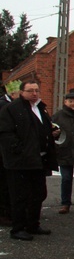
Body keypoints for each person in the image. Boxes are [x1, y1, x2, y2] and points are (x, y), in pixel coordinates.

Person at [0, 80, 59, 240]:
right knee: (20, 196)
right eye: (30, 91)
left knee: (38, 194)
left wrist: (53, 133)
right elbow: (6, 134)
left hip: (38, 161)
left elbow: (43, 129)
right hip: (20, 162)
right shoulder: (11, 109)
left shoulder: (40, 108)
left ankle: (33, 224)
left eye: (36, 90)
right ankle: (18, 228)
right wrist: (19, 150)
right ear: (21, 92)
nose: (34, 93)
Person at [0, 80, 22, 226]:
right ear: (13, 93)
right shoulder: (4, 106)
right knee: (4, 183)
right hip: (4, 150)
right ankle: (4, 214)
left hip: (10, 150)